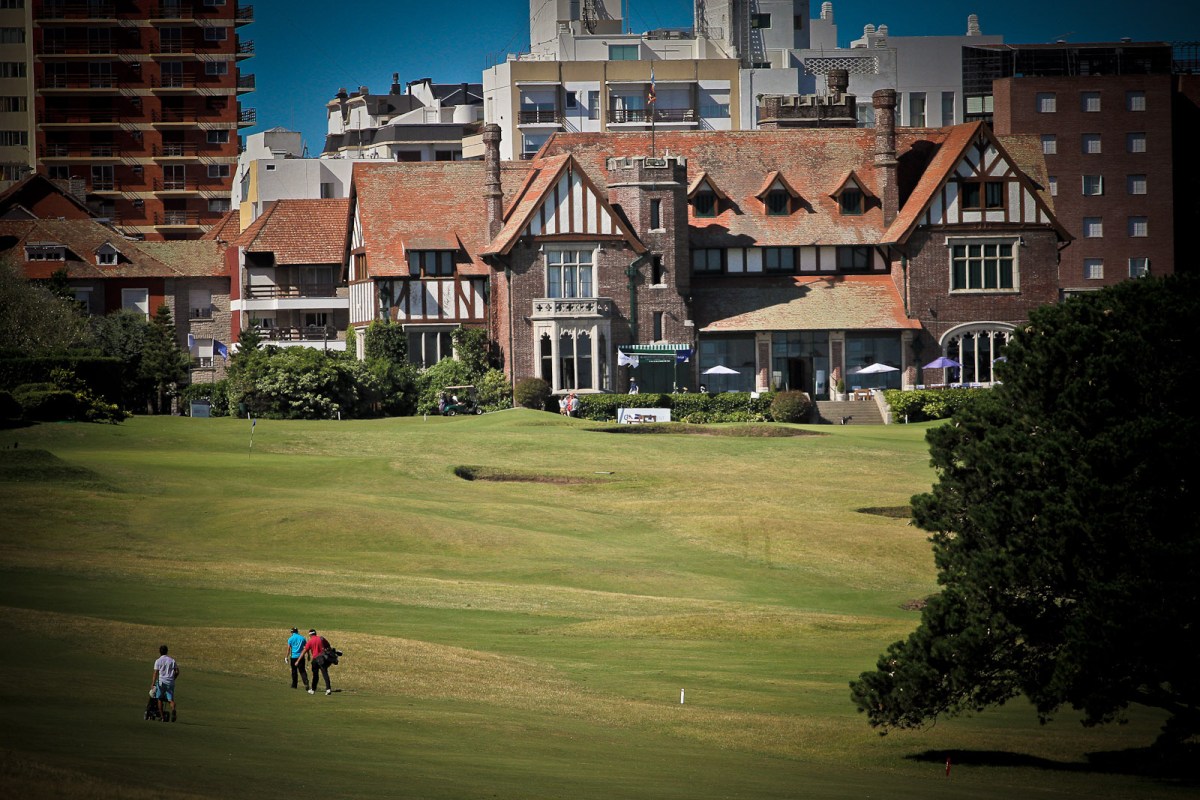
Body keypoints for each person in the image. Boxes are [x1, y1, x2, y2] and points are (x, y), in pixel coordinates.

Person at [297, 629, 334, 696]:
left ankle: (313, 689)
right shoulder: (321, 638)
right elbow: (328, 646)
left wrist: (298, 661)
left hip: (315, 660)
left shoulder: (310, 641)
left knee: (315, 675)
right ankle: (328, 689)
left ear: (310, 635)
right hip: (323, 659)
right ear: (315, 633)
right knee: (325, 674)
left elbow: (304, 651)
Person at [151, 645, 179, 723]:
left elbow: (155, 673)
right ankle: (173, 709)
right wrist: (173, 678)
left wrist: (153, 684)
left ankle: (163, 717)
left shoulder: (158, 661)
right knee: (170, 699)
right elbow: (177, 671)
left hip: (161, 682)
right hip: (170, 682)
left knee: (159, 699)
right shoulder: (172, 660)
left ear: (160, 652)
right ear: (167, 651)